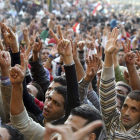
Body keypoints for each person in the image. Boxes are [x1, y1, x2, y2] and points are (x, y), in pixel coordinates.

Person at [100, 27, 140, 139]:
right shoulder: (113, 122)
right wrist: (108, 55)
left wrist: (132, 68)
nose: (126, 113)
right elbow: (106, 92)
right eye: (125, 106)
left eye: (134, 109)